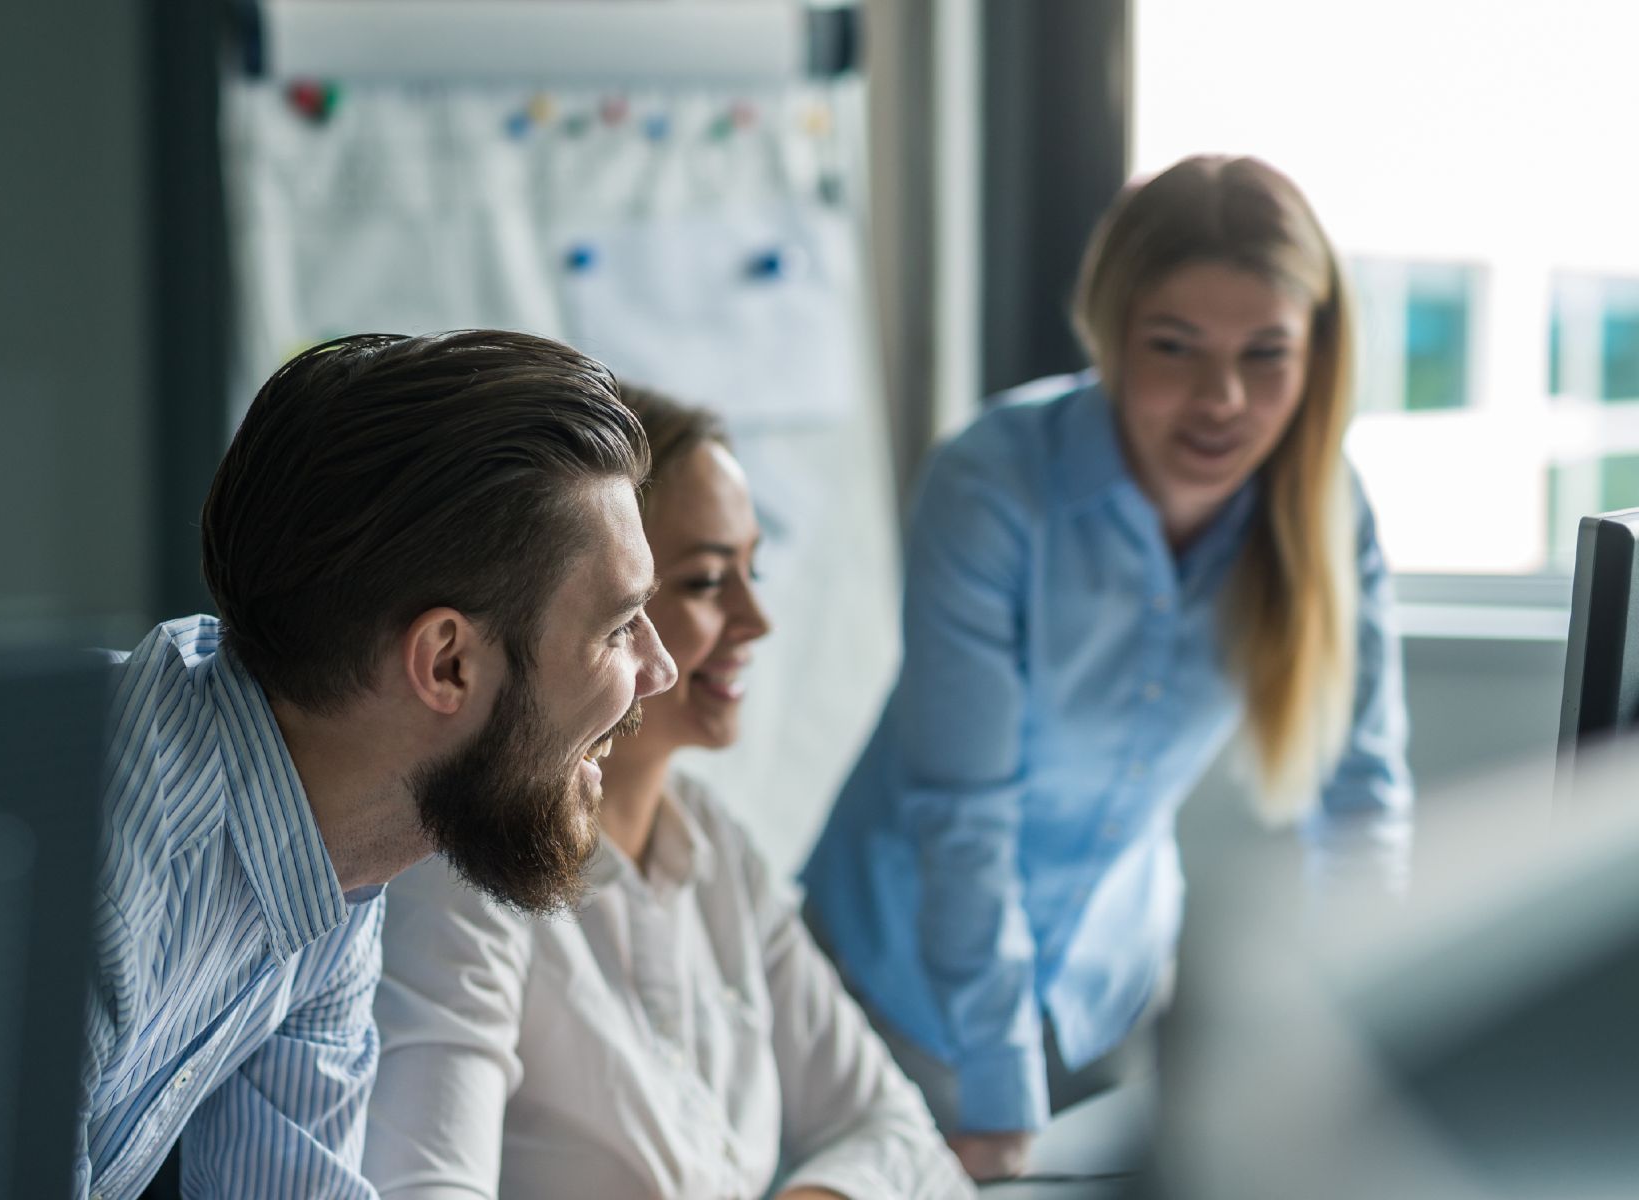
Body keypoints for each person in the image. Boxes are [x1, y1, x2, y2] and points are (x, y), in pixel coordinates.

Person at [799, 154, 1413, 1181]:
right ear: (1111, 333)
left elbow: (1362, 804)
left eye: (1267, 355)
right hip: (900, 983)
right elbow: (965, 812)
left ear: (1317, 356)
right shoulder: (994, 482)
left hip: (1107, 986)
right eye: (1176, 348)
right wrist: (999, 1098)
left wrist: (1384, 1048)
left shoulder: (1325, 510)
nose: (1222, 400)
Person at [75, 330, 679, 1199]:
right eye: (618, 627)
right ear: (446, 664)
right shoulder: (98, 852)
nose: (657, 671)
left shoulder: (334, 863)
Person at [363, 384, 972, 1200]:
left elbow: (895, 1133)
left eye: (752, 570)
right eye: (706, 581)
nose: (757, 619)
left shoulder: (715, 848)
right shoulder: (467, 869)